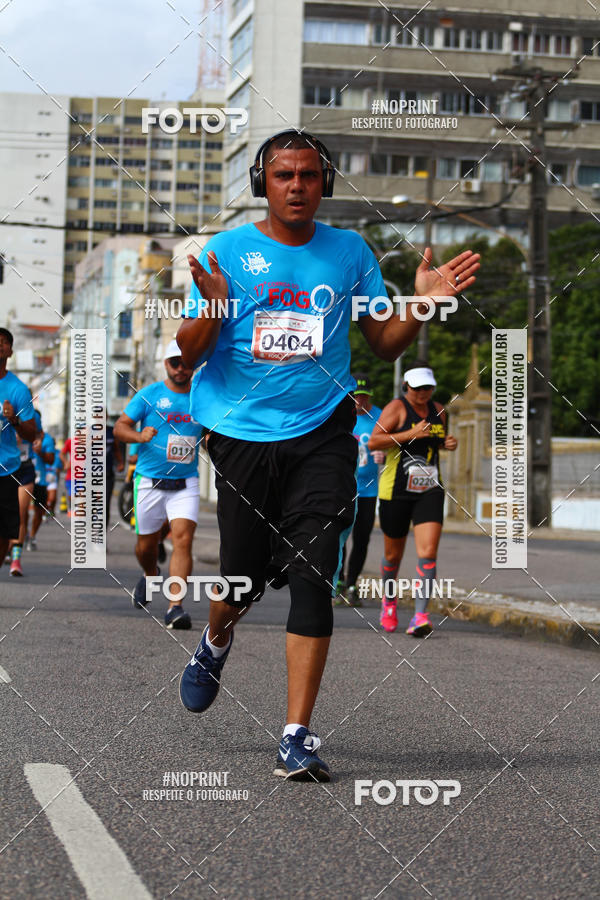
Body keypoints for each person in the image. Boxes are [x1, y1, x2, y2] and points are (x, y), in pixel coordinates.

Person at [176, 129, 479, 781]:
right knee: (241, 580)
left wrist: (421, 303)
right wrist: (215, 305)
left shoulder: (349, 252)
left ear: (325, 184)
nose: (297, 187)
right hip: (241, 435)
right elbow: (191, 348)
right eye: (283, 175)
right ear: (264, 182)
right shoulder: (227, 251)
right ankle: (215, 638)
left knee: (316, 574)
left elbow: (385, 343)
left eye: (309, 176)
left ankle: (297, 735)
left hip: (322, 435)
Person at [114, 339, 204, 629]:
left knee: (183, 539)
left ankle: (175, 607)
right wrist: (139, 437)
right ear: (165, 364)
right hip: (149, 481)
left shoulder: (202, 396)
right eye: (174, 362)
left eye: (185, 362)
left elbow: (213, 430)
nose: (180, 368)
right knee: (145, 546)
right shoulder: (150, 395)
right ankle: (150, 574)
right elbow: (119, 428)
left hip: (186, 481)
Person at [369, 361, 458, 637]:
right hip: (396, 490)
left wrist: (447, 443)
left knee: (428, 552)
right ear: (406, 386)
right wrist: (410, 433)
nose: (423, 393)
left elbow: (436, 441)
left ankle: (420, 615)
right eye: (417, 387)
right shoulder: (396, 408)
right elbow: (374, 441)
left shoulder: (439, 411)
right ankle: (389, 602)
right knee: (392, 556)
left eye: (428, 387)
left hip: (429, 489)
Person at [334, 373, 384, 607]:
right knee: (341, 536)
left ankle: (353, 583)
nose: (359, 402)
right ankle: (339, 581)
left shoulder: (381, 417)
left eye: (364, 397)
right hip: (344, 487)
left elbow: (394, 444)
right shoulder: (341, 414)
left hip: (369, 490)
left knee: (362, 538)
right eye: (355, 397)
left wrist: (384, 454)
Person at [0, 328, 37, 572]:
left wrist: (14, 421)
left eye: (3, 343)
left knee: (4, 532)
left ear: (10, 351)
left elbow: (31, 434)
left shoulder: (18, 390)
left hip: (5, 470)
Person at [9, 408, 42, 574]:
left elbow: (39, 433)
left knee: (21, 514)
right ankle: (7, 543)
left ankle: (16, 560)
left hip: (25, 468)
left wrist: (38, 441)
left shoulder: (32, 415)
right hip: (5, 467)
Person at [27, 416, 56, 549]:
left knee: (39, 511)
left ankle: (32, 536)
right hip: (22, 477)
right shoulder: (18, 433)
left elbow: (50, 460)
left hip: (40, 480)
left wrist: (40, 453)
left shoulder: (47, 439)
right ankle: (21, 535)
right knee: (21, 510)